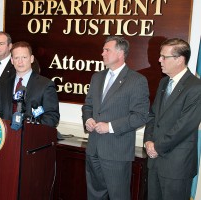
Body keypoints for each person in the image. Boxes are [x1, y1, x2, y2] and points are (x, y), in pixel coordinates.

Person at [82, 36, 150, 200]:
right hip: (94, 149)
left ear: (120, 53)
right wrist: (88, 119)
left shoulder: (136, 81)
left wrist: (110, 126)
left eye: (107, 50)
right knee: (94, 196)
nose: (102, 53)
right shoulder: (97, 77)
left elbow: (140, 116)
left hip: (116, 153)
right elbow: (88, 106)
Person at [144, 38, 201, 200]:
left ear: (179, 60)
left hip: (177, 165)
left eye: (164, 56)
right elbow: (153, 115)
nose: (159, 60)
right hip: (155, 162)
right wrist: (148, 141)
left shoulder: (196, 87)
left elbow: (184, 126)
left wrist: (157, 147)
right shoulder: (163, 82)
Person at [0, 41, 60, 127]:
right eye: (16, 58)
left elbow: (52, 117)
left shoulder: (46, 85)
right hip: (8, 136)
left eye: (24, 57)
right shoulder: (4, 83)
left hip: (33, 137)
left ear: (31, 59)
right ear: (12, 60)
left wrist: (31, 128)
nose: (20, 62)